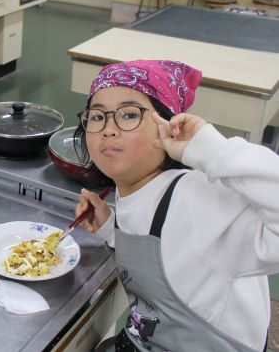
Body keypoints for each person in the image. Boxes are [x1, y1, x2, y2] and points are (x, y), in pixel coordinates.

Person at [74, 60, 277, 351]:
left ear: (168, 128)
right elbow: (169, 255)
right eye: (97, 116)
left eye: (129, 114)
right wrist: (110, 227)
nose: (108, 129)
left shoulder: (198, 198)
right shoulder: (135, 190)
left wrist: (213, 151)